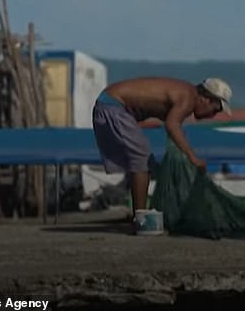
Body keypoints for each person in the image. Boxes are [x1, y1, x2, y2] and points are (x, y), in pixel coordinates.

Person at [92, 76, 233, 233]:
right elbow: (172, 125)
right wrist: (193, 157)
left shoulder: (185, 93)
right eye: (215, 110)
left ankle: (138, 215)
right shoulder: (188, 97)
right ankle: (140, 221)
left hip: (112, 105)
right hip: (112, 105)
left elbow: (172, 124)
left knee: (147, 164)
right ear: (206, 98)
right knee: (141, 157)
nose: (212, 116)